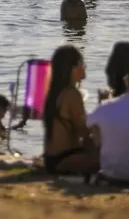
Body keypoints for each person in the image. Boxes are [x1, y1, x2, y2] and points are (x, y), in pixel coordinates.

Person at [42, 44, 99, 175]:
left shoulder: (55, 92)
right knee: (109, 154)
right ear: (73, 68)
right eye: (82, 63)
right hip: (65, 158)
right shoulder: (72, 94)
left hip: (51, 158)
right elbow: (83, 132)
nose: (84, 67)